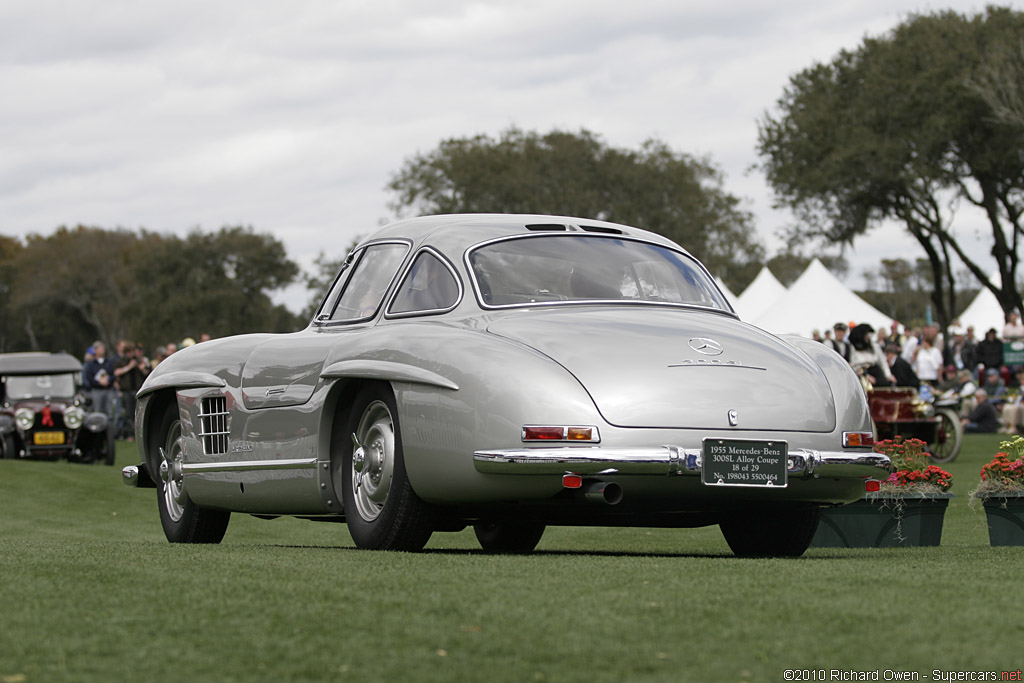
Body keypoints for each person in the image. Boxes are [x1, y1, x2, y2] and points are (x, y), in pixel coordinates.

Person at [114, 342, 150, 440]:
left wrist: (140, 367)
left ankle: (140, 434)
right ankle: (130, 434)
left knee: (139, 413)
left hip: (138, 390)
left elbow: (147, 373)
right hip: (127, 391)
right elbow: (116, 373)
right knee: (129, 414)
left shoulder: (139, 361)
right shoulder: (121, 361)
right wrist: (129, 367)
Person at [82, 341, 117, 419]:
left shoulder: (109, 362)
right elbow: (89, 377)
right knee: (97, 410)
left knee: (109, 411)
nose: (102, 350)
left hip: (108, 390)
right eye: (100, 349)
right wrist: (99, 382)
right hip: (96, 390)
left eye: (103, 348)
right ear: (95, 350)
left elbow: (113, 374)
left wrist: (108, 380)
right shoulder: (91, 364)